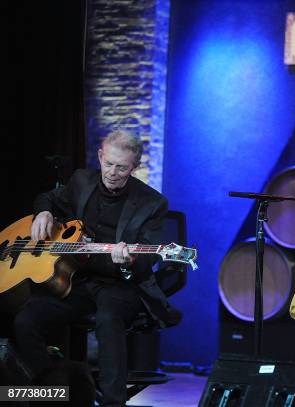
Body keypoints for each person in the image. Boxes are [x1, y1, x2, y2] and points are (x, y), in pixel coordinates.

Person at [13, 130, 179, 407]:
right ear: (101, 156)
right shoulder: (81, 180)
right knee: (25, 320)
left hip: (120, 284)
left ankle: (113, 403)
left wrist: (129, 261)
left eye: (122, 167)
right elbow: (49, 198)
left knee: (108, 320)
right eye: (109, 163)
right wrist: (43, 211)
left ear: (134, 167)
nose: (113, 172)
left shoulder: (152, 203)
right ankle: (53, 393)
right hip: (76, 280)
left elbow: (148, 260)